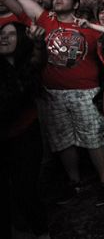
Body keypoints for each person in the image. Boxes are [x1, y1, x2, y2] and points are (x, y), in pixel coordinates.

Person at [16, 0, 104, 206]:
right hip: (54, 93)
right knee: (63, 141)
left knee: (93, 139)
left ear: (77, 4)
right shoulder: (47, 20)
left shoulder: (88, 26)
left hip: (86, 92)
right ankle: (75, 183)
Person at [0, 22, 50, 239]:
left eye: (11, 34)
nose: (4, 38)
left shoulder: (27, 66)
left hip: (25, 136)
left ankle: (41, 232)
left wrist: (38, 43)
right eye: (1, 34)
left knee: (25, 190)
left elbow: (37, 61)